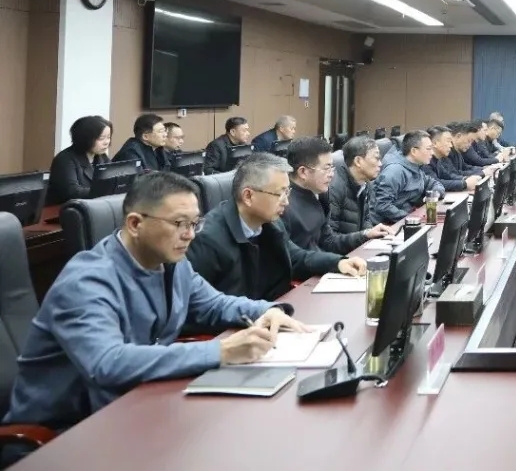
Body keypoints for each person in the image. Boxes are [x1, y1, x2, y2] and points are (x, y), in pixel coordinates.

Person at [2, 172, 306, 438]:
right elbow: (108, 363)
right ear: (135, 223)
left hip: (138, 406)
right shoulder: (86, 281)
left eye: (194, 223)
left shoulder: (172, 263)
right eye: (179, 223)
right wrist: (221, 351)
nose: (190, 235)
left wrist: (267, 311)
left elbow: (214, 304)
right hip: (67, 432)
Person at [186, 153, 366, 303]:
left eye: (287, 192)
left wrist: (338, 262)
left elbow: (296, 258)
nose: (286, 202)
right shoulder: (207, 240)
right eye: (280, 193)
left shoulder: (270, 223)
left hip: (272, 314)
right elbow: (197, 307)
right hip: (238, 327)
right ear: (248, 196)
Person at [281, 137, 376, 254]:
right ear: (303, 172)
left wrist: (366, 234)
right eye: (326, 168)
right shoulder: (283, 205)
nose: (331, 174)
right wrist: (337, 261)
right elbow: (294, 258)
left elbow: (329, 242)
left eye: (332, 167)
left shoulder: (320, 195)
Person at [369, 130, 445, 224]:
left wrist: (435, 194)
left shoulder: (415, 166)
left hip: (405, 220)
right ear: (414, 151)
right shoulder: (394, 171)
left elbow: (434, 183)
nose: (432, 153)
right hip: (388, 225)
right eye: (428, 149)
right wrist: (412, 218)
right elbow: (383, 205)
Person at [328, 136, 393, 240]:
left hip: (357, 245)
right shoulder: (334, 189)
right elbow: (330, 240)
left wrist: (372, 233)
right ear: (358, 161)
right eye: (376, 158)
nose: (380, 164)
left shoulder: (365, 183)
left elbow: (366, 219)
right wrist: (365, 235)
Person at [45, 115, 112, 205]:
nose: (106, 142)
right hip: (65, 208)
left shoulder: (102, 157)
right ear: (85, 138)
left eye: (108, 137)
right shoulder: (65, 159)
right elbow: (72, 191)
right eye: (101, 138)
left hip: (93, 205)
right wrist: (104, 191)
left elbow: (112, 180)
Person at [424, 125, 483, 193]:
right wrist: (464, 183)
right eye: (448, 141)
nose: (451, 145)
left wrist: (466, 179)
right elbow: (437, 183)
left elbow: (449, 176)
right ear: (435, 143)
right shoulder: (425, 162)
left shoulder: (438, 159)